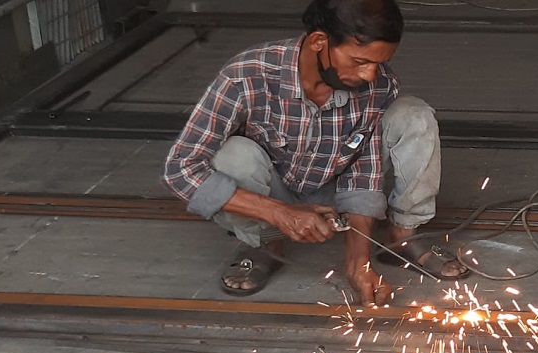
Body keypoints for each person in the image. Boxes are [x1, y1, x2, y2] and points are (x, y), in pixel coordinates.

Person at [162, 0, 467, 307]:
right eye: (360, 61)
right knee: (233, 156)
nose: (369, 75)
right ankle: (264, 244)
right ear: (319, 41)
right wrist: (279, 213)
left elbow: (363, 173)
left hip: (332, 195)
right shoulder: (246, 75)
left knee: (414, 115)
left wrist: (358, 265)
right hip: (268, 192)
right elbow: (180, 170)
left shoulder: (379, 86)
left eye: (378, 63)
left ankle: (402, 237)